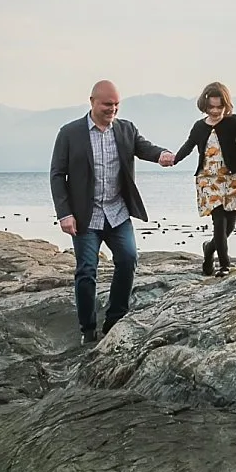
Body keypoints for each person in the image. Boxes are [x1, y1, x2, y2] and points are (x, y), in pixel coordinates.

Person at [49, 81, 175, 343]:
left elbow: (144, 147)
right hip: (85, 216)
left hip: (117, 213)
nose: (113, 109)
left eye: (117, 104)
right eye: (108, 104)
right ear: (92, 101)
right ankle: (88, 329)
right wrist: (65, 213)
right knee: (86, 271)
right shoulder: (70, 133)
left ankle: (115, 320)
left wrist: (162, 154)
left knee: (128, 260)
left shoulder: (126, 129)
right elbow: (57, 175)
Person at [171, 81, 236, 277]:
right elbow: (189, 145)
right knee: (218, 223)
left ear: (226, 104)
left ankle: (209, 249)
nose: (215, 111)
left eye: (219, 106)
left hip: (234, 177)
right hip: (209, 179)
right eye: (211, 107)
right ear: (205, 105)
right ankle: (225, 265)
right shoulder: (199, 127)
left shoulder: (234, 121)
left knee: (230, 226)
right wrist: (174, 159)